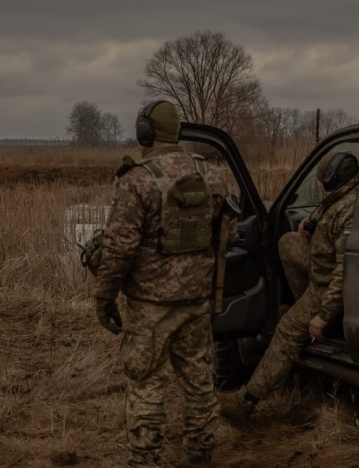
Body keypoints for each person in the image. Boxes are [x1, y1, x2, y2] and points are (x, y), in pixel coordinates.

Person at [93, 100, 232, 468]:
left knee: (146, 383)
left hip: (151, 304)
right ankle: (201, 455)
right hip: (196, 300)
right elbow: (221, 235)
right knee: (198, 379)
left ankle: (146, 460)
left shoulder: (136, 179)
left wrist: (103, 298)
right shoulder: (212, 175)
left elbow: (119, 249)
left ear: (145, 133)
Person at [218, 152, 359, 421]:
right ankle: (302, 308)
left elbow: (345, 271)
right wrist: (310, 225)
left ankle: (246, 401)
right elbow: (326, 218)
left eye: (320, 180)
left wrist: (323, 314)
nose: (318, 184)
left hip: (328, 285)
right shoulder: (342, 197)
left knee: (285, 331)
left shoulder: (349, 213)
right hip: (322, 267)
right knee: (287, 242)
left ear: (331, 180)